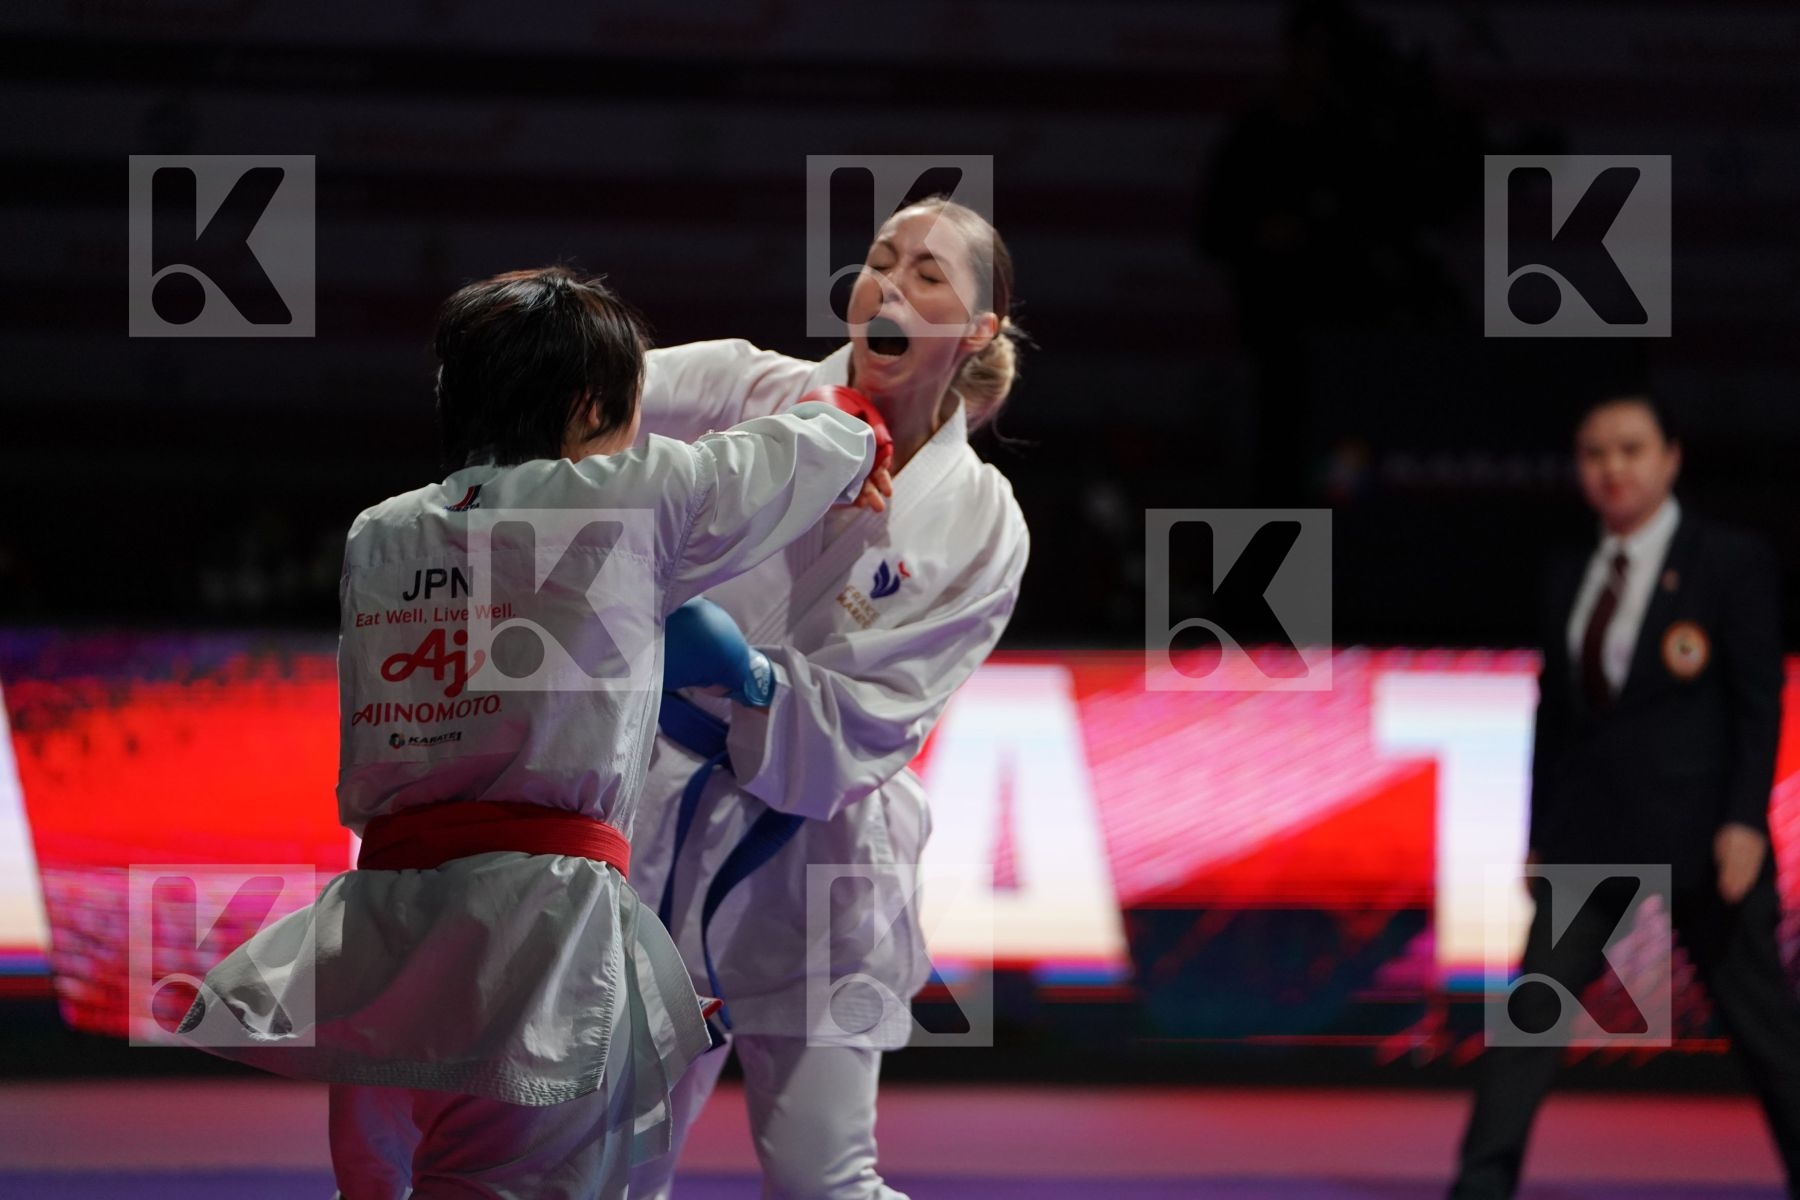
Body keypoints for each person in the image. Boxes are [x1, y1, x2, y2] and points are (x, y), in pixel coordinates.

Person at [175, 266, 882, 1199]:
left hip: (380, 939)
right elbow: (808, 449)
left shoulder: (378, 534)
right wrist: (859, 421)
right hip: (533, 942)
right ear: (591, 408)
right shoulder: (629, 497)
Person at [625, 195, 1030, 1199]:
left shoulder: (981, 522)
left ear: (976, 331)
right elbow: (578, 411)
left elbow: (885, 715)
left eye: (928, 273)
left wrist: (747, 675)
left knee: (824, 1180)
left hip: (828, 862)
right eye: (880, 259)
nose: (890, 280)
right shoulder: (740, 387)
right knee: (605, 1172)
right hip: (657, 816)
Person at [1449, 391, 1800, 1199]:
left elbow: (1758, 700)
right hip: (1587, 835)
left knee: (1766, 1029)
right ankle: (1480, 1183)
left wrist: (1746, 819)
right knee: (1529, 1021)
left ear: (1671, 457)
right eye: (1594, 452)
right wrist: (1539, 830)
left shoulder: (1729, 561)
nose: (1612, 468)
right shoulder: (1567, 570)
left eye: (1631, 449)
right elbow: (1555, 710)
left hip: (1704, 834)